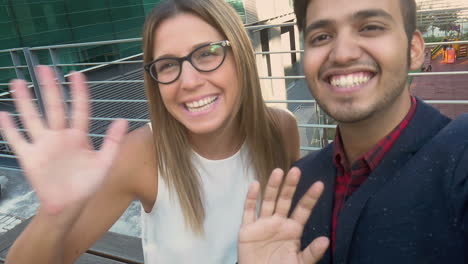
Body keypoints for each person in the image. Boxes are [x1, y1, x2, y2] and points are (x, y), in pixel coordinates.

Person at [0, 0, 304, 263]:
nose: (189, 81)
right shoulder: (141, 153)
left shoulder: (281, 128)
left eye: (207, 53)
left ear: (240, 56)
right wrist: (54, 215)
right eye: (168, 64)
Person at [288, 0, 468, 263]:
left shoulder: (459, 159)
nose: (342, 54)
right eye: (322, 36)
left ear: (414, 50)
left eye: (370, 27)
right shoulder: (298, 184)